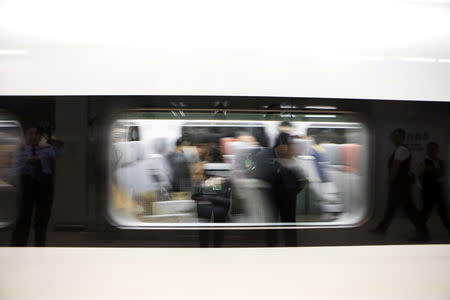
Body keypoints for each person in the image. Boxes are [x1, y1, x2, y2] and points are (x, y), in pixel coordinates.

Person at [9, 126, 64, 246]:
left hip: (44, 187)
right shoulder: (21, 151)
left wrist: (50, 137)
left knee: (42, 220)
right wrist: (27, 164)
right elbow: (14, 170)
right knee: (24, 218)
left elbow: (59, 152)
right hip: (27, 185)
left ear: (40, 136)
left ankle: (39, 247)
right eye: (30, 134)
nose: (33, 137)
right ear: (25, 136)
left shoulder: (47, 150)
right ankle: (18, 247)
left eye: (36, 134)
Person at [370, 128, 429, 241]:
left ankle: (423, 233)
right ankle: (381, 228)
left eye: (397, 136)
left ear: (402, 137)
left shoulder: (401, 150)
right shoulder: (399, 149)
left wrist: (390, 181)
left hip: (400, 185)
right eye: (393, 136)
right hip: (400, 184)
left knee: (409, 209)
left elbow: (395, 168)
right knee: (391, 208)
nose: (394, 138)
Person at [254, 132, 307, 246]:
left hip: (288, 194)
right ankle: (271, 248)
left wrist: (293, 191)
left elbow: (302, 179)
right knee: (271, 223)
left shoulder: (291, 159)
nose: (291, 150)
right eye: (289, 146)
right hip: (270, 193)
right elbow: (255, 171)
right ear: (281, 146)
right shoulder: (264, 155)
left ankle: (291, 248)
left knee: (290, 223)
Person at [418, 142, 450, 233]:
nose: (432, 151)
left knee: (443, 213)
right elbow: (419, 176)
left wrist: (438, 171)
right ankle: (420, 231)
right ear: (427, 150)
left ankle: (420, 231)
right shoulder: (423, 162)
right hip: (428, 192)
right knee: (425, 213)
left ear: (437, 150)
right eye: (430, 149)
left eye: (434, 149)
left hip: (439, 192)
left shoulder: (442, 162)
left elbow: (444, 176)